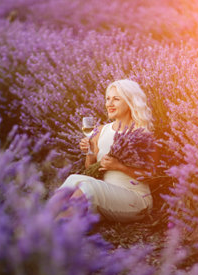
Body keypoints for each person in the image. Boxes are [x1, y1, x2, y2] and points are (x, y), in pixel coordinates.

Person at [57, 79, 156, 222]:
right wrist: (89, 151)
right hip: (105, 196)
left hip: (136, 201)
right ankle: (44, 221)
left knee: (89, 187)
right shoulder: (100, 131)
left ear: (130, 102)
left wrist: (119, 167)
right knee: (73, 178)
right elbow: (90, 169)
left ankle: (52, 230)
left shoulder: (142, 134)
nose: (109, 104)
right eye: (108, 99)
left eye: (116, 99)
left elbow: (151, 178)